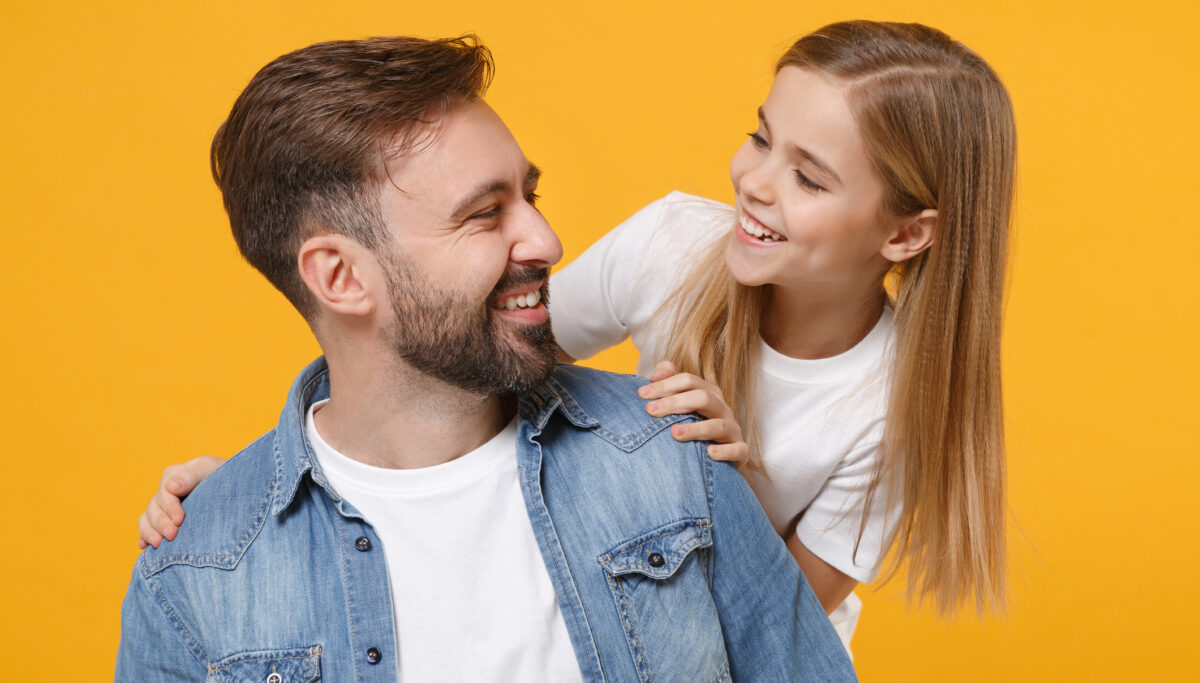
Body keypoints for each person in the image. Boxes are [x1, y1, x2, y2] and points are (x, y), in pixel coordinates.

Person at [138, 20, 1015, 649]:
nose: (754, 181)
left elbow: (772, 616)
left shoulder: (897, 406)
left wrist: (716, 478)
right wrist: (289, 489)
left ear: (904, 234)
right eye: (760, 137)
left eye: (810, 178)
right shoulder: (675, 247)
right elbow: (463, 342)